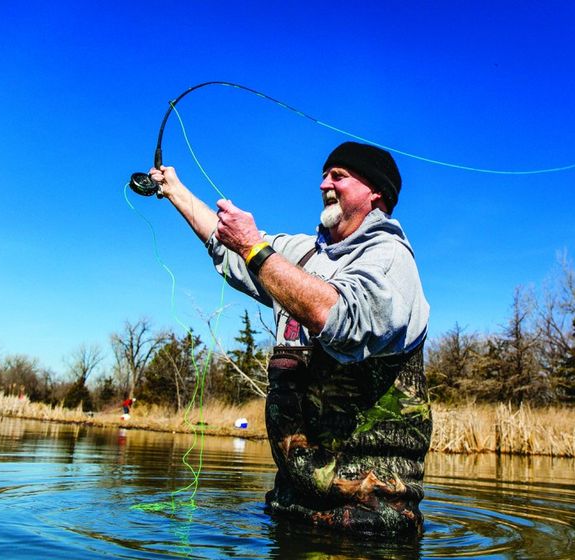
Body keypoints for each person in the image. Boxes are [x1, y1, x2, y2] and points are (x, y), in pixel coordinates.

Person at [148, 141, 431, 535]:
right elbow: (228, 242)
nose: (322, 184)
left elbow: (339, 318)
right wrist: (174, 189)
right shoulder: (301, 253)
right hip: (290, 509)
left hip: (370, 524)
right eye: (323, 174)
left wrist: (253, 247)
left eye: (338, 176)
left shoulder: (390, 257)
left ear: (376, 192)